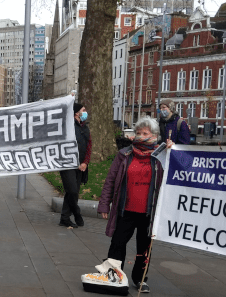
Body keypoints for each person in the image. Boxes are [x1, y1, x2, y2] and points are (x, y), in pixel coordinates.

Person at [97, 117, 174, 294]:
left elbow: (177, 171)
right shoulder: (124, 154)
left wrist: (173, 151)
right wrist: (104, 204)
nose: (141, 136)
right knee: (117, 243)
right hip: (126, 208)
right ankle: (114, 276)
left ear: (154, 135)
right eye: (138, 133)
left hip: (149, 211)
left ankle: (139, 278)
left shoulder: (162, 155)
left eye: (145, 133)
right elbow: (110, 179)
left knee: (144, 248)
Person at [59, 103, 91, 228]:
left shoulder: (85, 128)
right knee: (72, 190)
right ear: (76, 112)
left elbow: (89, 146)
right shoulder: (68, 126)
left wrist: (85, 163)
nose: (85, 111)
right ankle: (77, 213)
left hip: (81, 165)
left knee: (73, 192)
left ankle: (65, 218)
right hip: (68, 164)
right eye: (83, 109)